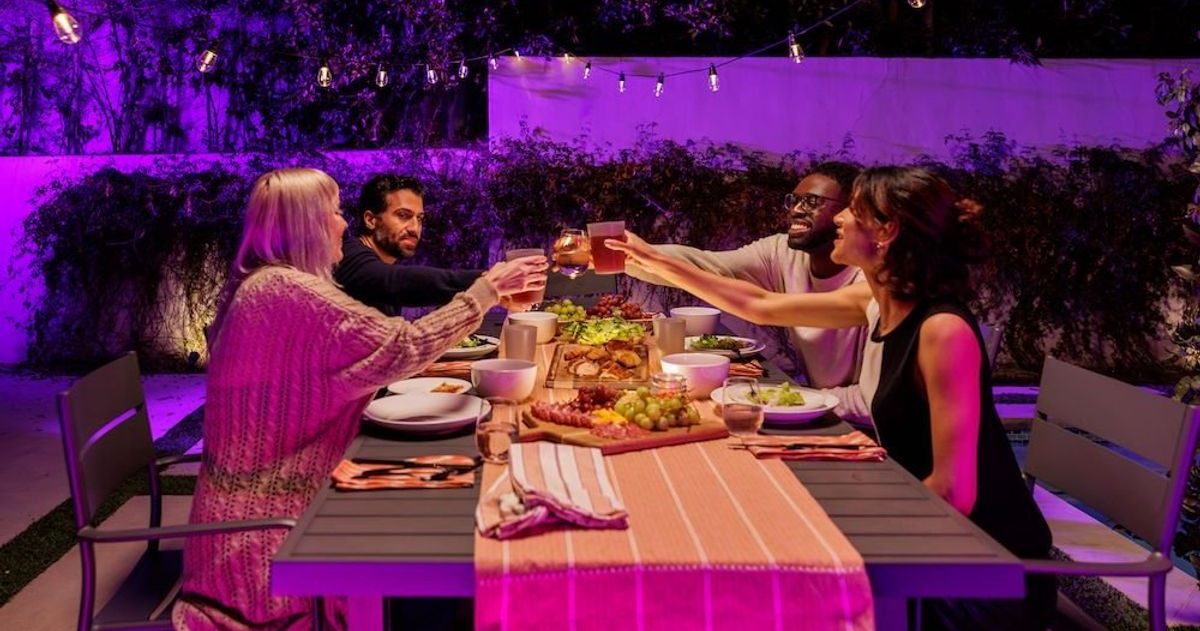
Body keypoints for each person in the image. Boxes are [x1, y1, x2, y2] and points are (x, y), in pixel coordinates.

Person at [609, 166, 1055, 630]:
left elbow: (952, 492)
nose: (840, 218)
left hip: (984, 571)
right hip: (929, 538)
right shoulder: (877, 301)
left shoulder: (943, 331)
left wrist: (835, 533)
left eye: (855, 211)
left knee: (787, 587)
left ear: (887, 232)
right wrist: (656, 262)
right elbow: (758, 305)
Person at [172, 168, 546, 631]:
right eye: (333, 212)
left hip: (283, 507)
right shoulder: (285, 291)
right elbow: (401, 347)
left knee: (458, 478)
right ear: (305, 224)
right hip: (268, 546)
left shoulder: (264, 286)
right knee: (455, 515)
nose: (343, 224)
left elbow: (360, 362)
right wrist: (485, 292)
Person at [623, 162, 867, 388]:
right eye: (794, 200)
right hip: (824, 408)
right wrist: (630, 256)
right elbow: (708, 266)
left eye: (812, 201)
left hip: (864, 426)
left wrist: (799, 400)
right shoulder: (781, 252)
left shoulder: (874, 284)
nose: (795, 210)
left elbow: (759, 305)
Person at [333, 174, 484, 315]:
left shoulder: (382, 266)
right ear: (371, 220)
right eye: (403, 215)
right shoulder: (348, 256)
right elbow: (397, 281)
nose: (414, 228)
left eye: (419, 219)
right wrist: (487, 281)